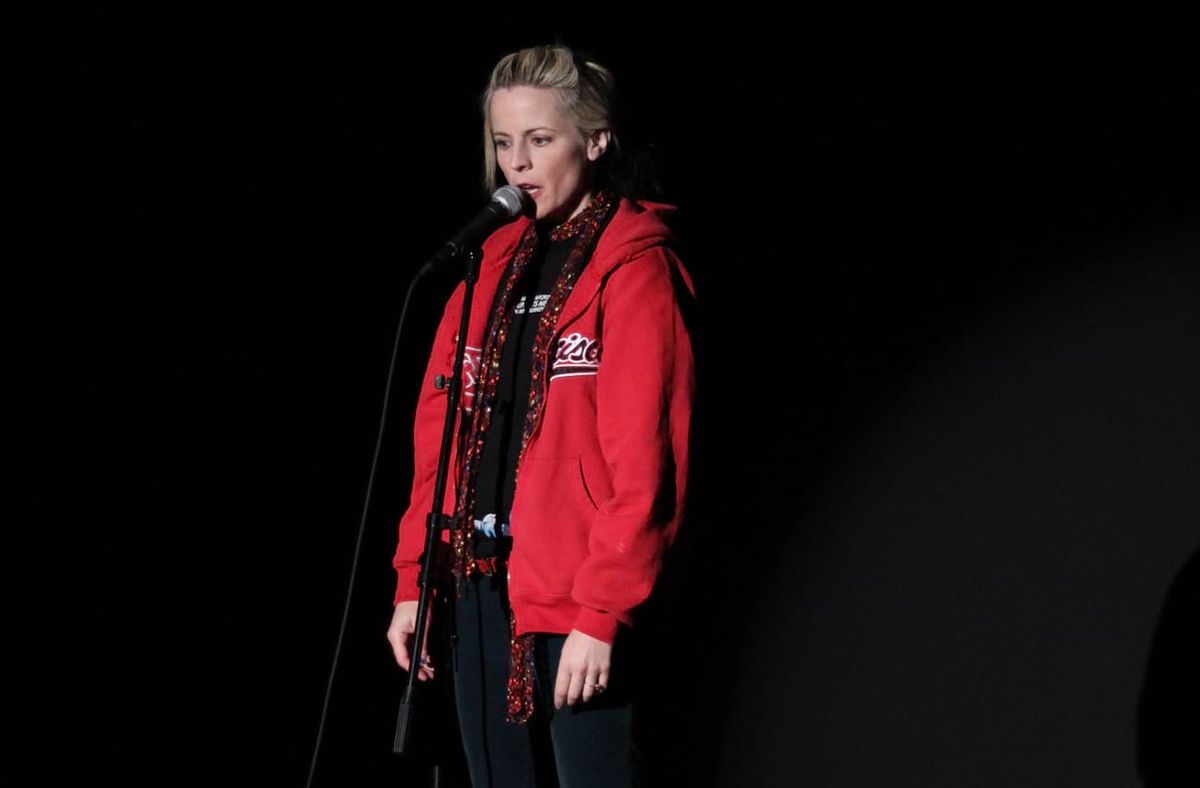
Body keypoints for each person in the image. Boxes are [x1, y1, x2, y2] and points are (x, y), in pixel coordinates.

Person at [387, 43, 695, 787]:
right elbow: (443, 442)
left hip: (578, 601)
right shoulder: (485, 268)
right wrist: (413, 583)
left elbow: (645, 458)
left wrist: (602, 614)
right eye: (502, 143)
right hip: (479, 592)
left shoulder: (634, 268)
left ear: (595, 140)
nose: (517, 163)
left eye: (539, 139)